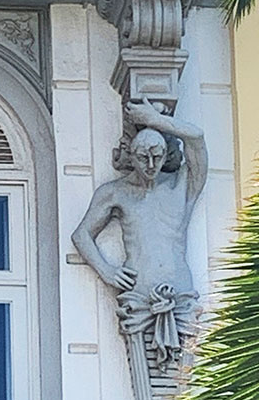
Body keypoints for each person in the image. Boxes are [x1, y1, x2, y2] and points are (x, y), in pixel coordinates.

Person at [72, 97, 207, 367]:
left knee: (179, 387)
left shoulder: (181, 185)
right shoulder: (116, 192)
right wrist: (107, 271)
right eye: (143, 157)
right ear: (130, 156)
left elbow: (197, 138)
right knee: (151, 391)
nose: (150, 164)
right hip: (137, 299)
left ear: (166, 153)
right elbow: (81, 235)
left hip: (179, 295)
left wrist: (154, 120)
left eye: (156, 156)